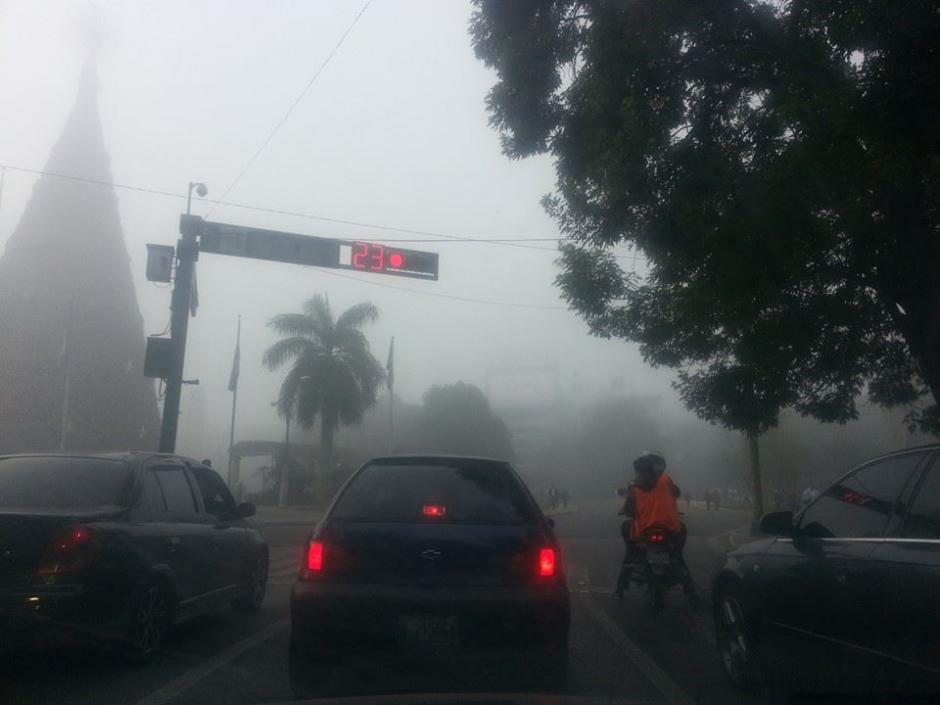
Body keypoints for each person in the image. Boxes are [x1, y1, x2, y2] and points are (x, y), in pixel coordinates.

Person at [614, 453, 701, 607]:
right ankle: (691, 593)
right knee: (678, 557)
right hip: (670, 528)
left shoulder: (634, 486)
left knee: (630, 553)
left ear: (638, 471)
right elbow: (677, 492)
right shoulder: (665, 479)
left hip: (644, 531)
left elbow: (628, 509)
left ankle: (620, 588)